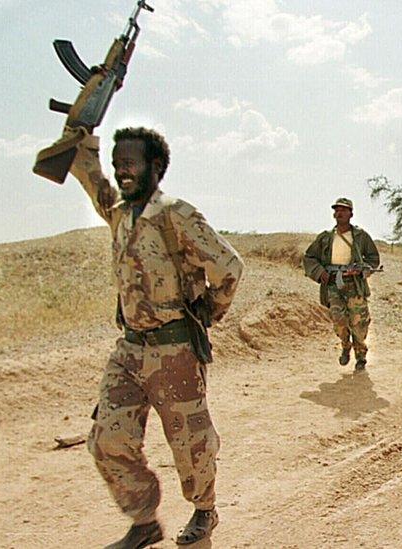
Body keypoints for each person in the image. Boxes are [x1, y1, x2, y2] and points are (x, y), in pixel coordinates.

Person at [66, 125, 243, 548]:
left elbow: (229, 267)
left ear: (156, 167)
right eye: (117, 163)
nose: (120, 170)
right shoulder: (119, 212)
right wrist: (81, 133)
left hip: (174, 350)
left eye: (129, 163)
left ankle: (204, 510)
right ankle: (144, 521)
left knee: (190, 442)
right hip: (129, 349)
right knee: (108, 439)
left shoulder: (174, 214)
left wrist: (208, 311)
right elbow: (86, 170)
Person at [303, 198, 381, 371]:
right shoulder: (325, 238)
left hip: (354, 284)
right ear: (334, 214)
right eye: (337, 210)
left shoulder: (360, 236)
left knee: (359, 323)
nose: (340, 213)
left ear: (351, 214)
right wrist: (319, 272)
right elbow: (309, 257)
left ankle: (360, 356)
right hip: (333, 284)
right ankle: (345, 345)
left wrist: (362, 270)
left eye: (344, 210)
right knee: (338, 321)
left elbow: (373, 259)